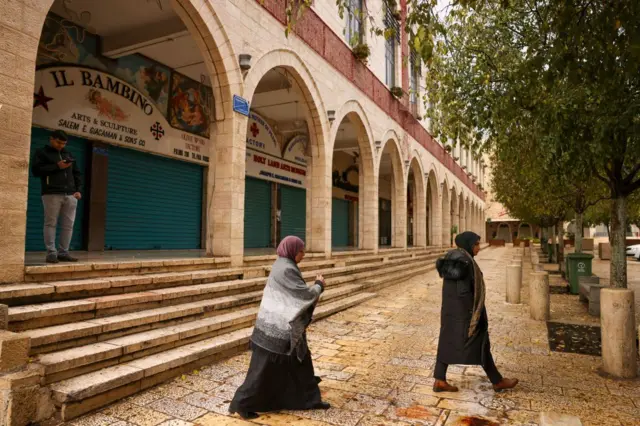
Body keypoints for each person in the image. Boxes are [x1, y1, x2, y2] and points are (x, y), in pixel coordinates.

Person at [229, 236, 330, 420]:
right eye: (301, 251)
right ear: (292, 250)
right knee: (261, 372)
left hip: (282, 327)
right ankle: (242, 404)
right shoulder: (286, 269)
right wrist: (318, 286)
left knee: (302, 363)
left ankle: (310, 400)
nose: (304, 254)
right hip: (276, 331)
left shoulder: (282, 264)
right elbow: (302, 295)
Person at [433, 231, 518, 392]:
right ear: (468, 244)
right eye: (476, 244)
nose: (479, 247)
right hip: (464, 315)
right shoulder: (464, 261)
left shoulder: (453, 257)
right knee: (481, 343)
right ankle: (497, 381)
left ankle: (439, 380)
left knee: (447, 342)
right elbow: (464, 293)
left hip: (451, 313)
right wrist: (475, 316)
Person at [30, 130, 82, 263]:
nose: (61, 146)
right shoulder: (41, 153)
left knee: (68, 225)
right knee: (50, 223)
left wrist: (78, 190)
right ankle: (51, 253)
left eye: (64, 143)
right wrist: (57, 166)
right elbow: (36, 171)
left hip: (70, 195)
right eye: (59, 142)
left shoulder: (68, 154)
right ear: (51, 139)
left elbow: (76, 173)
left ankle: (64, 252)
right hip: (51, 193)